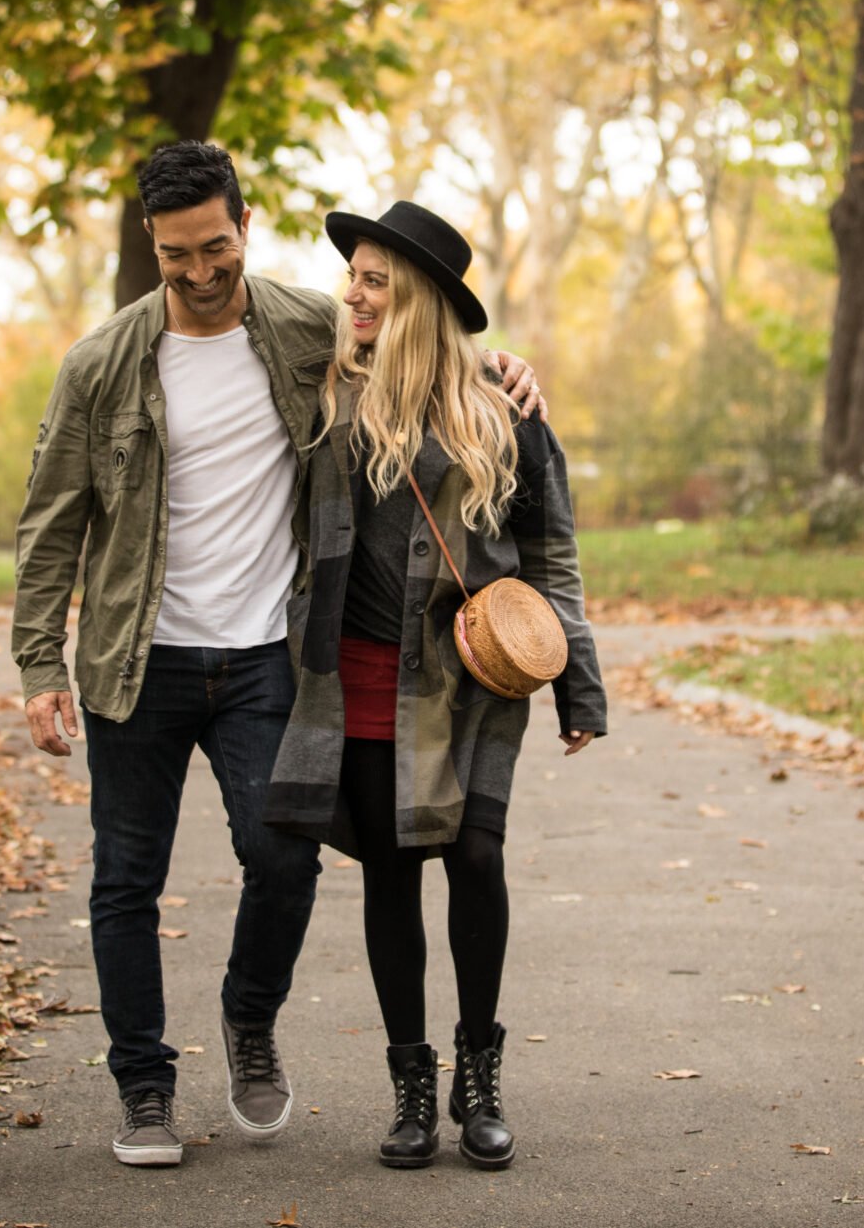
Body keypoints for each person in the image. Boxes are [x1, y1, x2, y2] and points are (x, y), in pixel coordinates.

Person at [11, 143, 541, 1169]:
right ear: (150, 247)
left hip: (265, 655)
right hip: (137, 660)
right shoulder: (100, 366)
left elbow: (415, 353)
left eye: (216, 247)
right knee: (127, 877)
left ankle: (248, 1023)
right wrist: (39, 666)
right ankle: (145, 1086)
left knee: (283, 857)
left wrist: (499, 365)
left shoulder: (304, 325)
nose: (201, 273)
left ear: (243, 229)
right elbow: (49, 525)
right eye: (176, 258)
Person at [264, 201, 606, 1171]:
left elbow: (553, 556)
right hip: (367, 675)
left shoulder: (506, 410)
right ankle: (412, 1086)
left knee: (477, 861)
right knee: (389, 871)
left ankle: (479, 1076)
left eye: (374, 279)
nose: (353, 293)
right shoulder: (331, 392)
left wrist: (579, 684)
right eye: (352, 276)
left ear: (414, 295)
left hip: (476, 678)